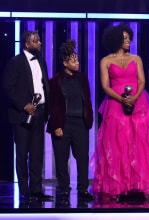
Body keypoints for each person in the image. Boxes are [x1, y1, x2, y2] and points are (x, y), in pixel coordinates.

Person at [92, 24, 149, 200]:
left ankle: (142, 185)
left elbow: (141, 81)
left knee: (139, 142)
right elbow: (104, 86)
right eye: (124, 38)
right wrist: (121, 98)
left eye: (129, 37)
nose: (128, 41)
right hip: (115, 104)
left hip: (138, 103)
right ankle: (116, 186)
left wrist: (134, 97)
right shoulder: (106, 61)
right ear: (115, 40)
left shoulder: (136, 58)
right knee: (116, 143)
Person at [3, 31, 51, 200]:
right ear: (26, 44)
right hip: (21, 114)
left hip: (40, 112)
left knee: (37, 153)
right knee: (22, 153)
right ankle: (24, 190)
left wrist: (46, 112)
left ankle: (37, 189)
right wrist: (25, 105)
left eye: (39, 40)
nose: (39, 43)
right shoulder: (15, 62)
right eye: (35, 41)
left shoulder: (42, 61)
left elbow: (45, 86)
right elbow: (8, 86)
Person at [47, 39, 95, 203]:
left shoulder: (83, 78)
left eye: (77, 59)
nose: (77, 62)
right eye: (73, 60)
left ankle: (82, 189)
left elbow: (87, 100)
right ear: (65, 63)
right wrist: (56, 125)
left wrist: (89, 120)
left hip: (80, 123)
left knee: (82, 158)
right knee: (61, 159)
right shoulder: (55, 80)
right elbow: (52, 106)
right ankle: (65, 190)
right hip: (63, 124)